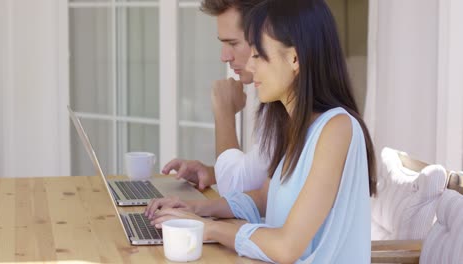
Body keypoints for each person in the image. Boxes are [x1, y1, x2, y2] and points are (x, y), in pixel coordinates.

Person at [146, 0, 377, 262]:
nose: (251, 65)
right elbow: (264, 198)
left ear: (294, 58)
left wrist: (207, 228)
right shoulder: (294, 125)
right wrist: (195, 209)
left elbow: (286, 247)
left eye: (258, 55)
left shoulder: (337, 129)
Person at [162, 0, 268, 195]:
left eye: (233, 43)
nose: (225, 57)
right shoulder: (274, 104)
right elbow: (261, 177)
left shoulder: (302, 113)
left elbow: (236, 191)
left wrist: (223, 110)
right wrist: (213, 173)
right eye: (223, 43)